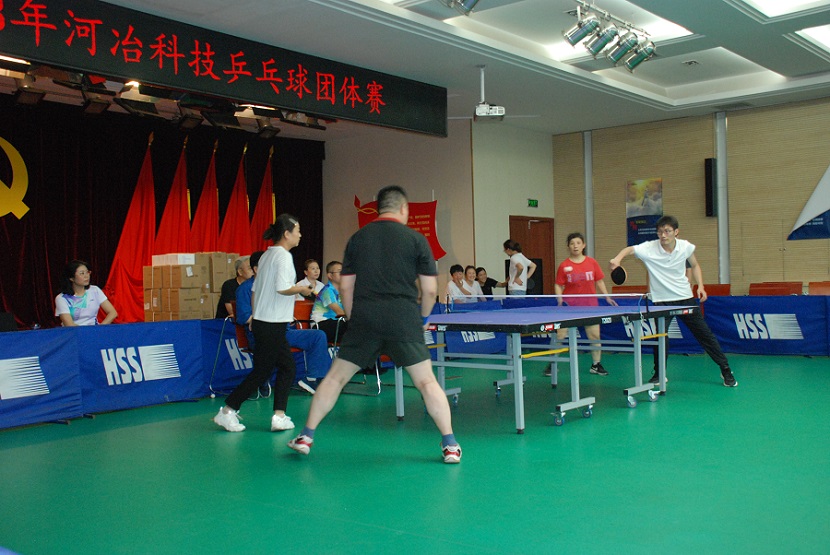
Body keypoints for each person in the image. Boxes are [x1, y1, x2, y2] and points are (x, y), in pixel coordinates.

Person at [288, 185, 461, 463]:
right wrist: (423, 320)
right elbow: (429, 290)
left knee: (335, 378)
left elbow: (346, 286)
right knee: (427, 382)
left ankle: (306, 436)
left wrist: (353, 318)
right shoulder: (417, 240)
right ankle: (450, 444)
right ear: (403, 208)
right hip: (404, 319)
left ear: (379, 209)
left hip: (365, 319)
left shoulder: (357, 239)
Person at [213, 214, 316, 433]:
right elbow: (283, 288)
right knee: (263, 372)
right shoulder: (283, 257)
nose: (300, 235)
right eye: (297, 230)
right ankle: (228, 411)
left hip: (265, 323)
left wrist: (257, 316)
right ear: (286, 234)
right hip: (271, 324)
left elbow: (254, 291)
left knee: (286, 367)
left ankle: (279, 416)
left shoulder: (267, 256)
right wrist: (303, 289)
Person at [609, 215, 738, 387]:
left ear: (676, 232)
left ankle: (725, 369)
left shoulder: (685, 247)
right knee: (660, 338)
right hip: (662, 302)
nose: (663, 235)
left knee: (705, 335)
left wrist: (700, 285)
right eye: (660, 232)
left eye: (667, 231)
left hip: (685, 298)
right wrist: (617, 259)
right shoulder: (649, 248)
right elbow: (630, 250)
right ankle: (659, 374)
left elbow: (695, 265)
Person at [236, 251, 331, 395]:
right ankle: (261, 381)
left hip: (285, 331)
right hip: (261, 334)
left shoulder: (278, 287)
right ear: (256, 269)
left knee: (318, 336)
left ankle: (311, 379)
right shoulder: (244, 289)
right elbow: (244, 316)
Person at [554, 232, 616, 376]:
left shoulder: (592, 262)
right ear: (568, 246)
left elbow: (599, 281)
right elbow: (558, 284)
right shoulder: (564, 265)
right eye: (572, 243)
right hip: (569, 307)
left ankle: (596, 365)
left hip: (590, 306)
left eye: (578, 243)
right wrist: (559, 299)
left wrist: (607, 297)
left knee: (595, 336)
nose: (575, 246)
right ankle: (552, 363)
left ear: (583, 245)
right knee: (560, 335)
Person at [55, 260, 117, 326]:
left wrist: (100, 328)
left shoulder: (95, 290)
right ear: (71, 278)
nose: (86, 276)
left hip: (94, 329)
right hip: (74, 331)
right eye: (82, 273)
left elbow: (112, 313)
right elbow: (69, 325)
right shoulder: (61, 298)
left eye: (87, 272)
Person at [312, 260, 348, 343]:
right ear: (330, 275)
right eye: (340, 272)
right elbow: (339, 312)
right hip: (320, 324)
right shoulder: (327, 290)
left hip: (335, 323)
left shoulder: (343, 292)